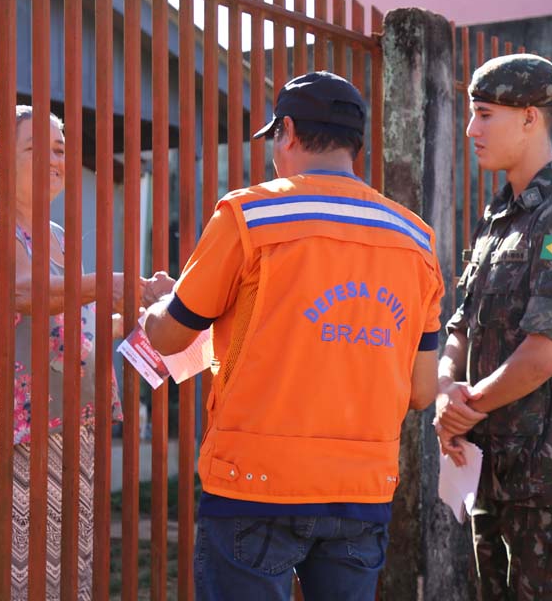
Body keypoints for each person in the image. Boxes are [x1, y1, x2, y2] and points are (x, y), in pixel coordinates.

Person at [142, 71, 446, 601]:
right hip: (361, 489)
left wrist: (157, 308)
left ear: (286, 131)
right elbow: (422, 391)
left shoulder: (250, 214)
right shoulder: (415, 240)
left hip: (253, 484)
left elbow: (170, 337)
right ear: (355, 144)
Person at [0, 105, 173, 600]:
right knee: (12, 573)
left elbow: (74, 330)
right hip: (9, 426)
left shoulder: (58, 240)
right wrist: (115, 284)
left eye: (62, 150)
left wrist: (149, 310)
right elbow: (24, 294)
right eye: (37, 148)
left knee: (69, 569)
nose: (55, 160)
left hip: (72, 419)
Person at [436, 54, 552, 601]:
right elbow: (460, 326)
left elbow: (544, 353)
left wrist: (467, 406)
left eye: (486, 114)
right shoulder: (500, 221)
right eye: (473, 114)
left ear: (531, 117)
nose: (472, 129)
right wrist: (445, 389)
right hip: (494, 469)